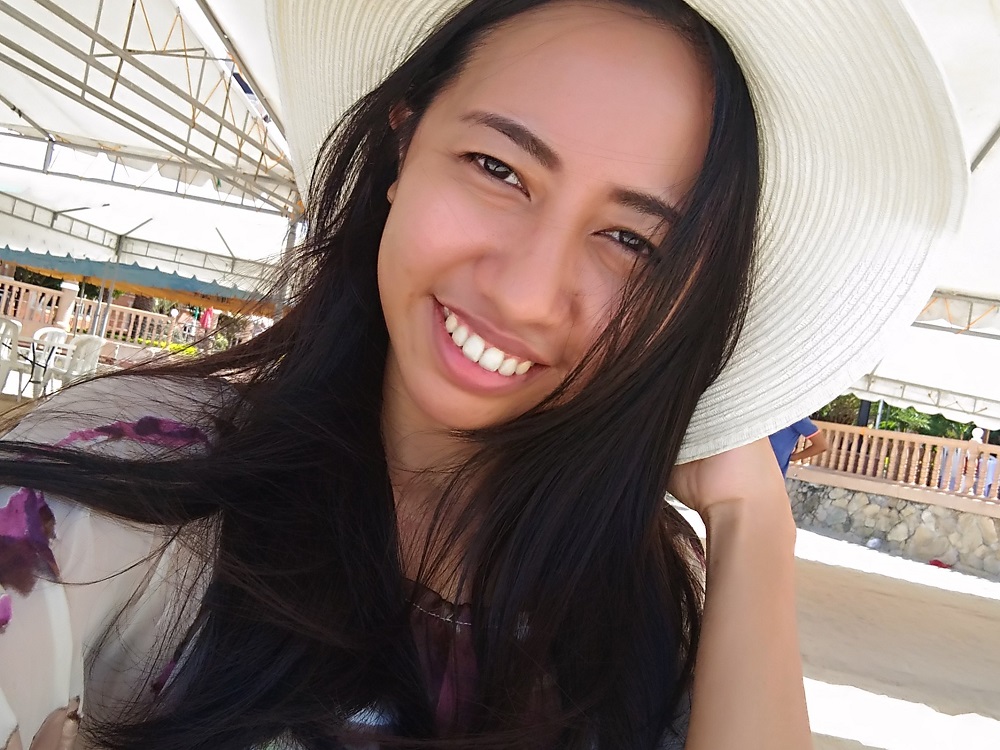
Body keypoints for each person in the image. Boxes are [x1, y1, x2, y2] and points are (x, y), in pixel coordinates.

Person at [0, 1, 966, 749]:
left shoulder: (640, 611)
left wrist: (755, 524)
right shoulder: (127, 486)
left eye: (632, 241)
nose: (527, 292)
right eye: (499, 169)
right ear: (402, 142)